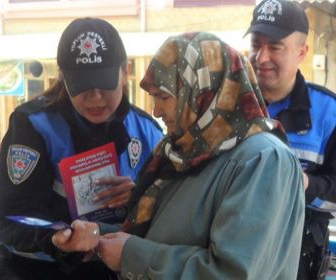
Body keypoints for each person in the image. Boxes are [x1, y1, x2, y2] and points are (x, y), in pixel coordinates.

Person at [53, 31, 305, 279]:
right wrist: (98, 236)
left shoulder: (262, 160)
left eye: (164, 97)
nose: (156, 110)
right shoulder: (186, 152)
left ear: (202, 90)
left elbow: (234, 272)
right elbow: (164, 235)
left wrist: (132, 256)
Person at [0, 17, 163, 280]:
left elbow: (168, 214)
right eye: (81, 85)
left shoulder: (148, 131)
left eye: (104, 83)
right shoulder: (33, 126)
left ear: (125, 72)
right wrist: (56, 239)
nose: (94, 97)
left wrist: (140, 198)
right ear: (62, 77)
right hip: (40, 272)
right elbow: (9, 218)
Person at [244, 0, 336, 279]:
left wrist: (303, 185)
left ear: (302, 53)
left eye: (275, 47)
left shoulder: (328, 113)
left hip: (298, 263)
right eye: (256, 45)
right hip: (230, 256)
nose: (261, 57)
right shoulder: (226, 106)